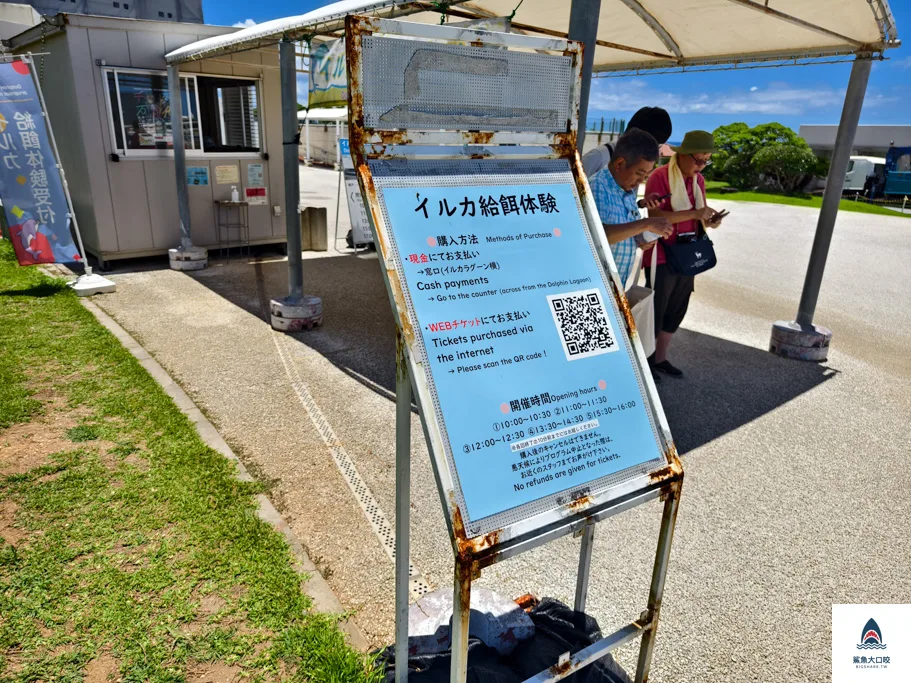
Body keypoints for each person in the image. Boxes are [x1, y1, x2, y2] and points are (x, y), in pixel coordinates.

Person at [643, 130, 724, 379]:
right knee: (655, 310)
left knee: (677, 308)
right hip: (662, 254)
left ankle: (660, 359)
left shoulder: (698, 180)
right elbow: (654, 217)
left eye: (706, 161)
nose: (701, 166)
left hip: (688, 253)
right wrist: (695, 214)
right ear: (683, 155)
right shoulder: (660, 176)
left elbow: (700, 214)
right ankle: (645, 363)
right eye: (698, 160)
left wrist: (711, 221)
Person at [591, 128, 673, 288]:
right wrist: (646, 224)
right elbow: (598, 236)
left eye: (646, 175)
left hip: (616, 285)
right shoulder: (597, 186)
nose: (641, 181)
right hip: (596, 286)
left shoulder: (626, 190)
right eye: (639, 173)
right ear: (620, 164)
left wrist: (642, 239)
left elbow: (627, 231)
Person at [582, 107, 673, 179]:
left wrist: (640, 203)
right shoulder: (599, 157)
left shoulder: (636, 164)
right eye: (655, 145)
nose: (654, 150)